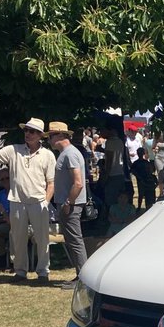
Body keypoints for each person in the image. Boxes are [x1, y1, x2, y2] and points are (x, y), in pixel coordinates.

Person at [0, 117, 56, 285]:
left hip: (39, 202)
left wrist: (45, 203)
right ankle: (20, 271)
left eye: (32, 131)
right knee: (17, 238)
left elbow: (51, 183)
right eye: (26, 130)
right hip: (17, 201)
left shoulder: (48, 155)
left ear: (40, 135)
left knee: (42, 239)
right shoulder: (13, 150)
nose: (28, 134)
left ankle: (43, 272)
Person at [49, 121, 89, 289]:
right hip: (68, 204)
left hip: (71, 205)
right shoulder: (66, 154)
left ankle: (84, 279)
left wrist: (68, 202)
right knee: (72, 240)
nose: (48, 140)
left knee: (75, 241)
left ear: (61, 135)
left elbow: (78, 183)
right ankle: (80, 276)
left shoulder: (70, 154)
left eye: (51, 136)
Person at [133, 146, 158, 210]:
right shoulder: (143, 163)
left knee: (143, 195)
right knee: (142, 194)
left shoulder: (138, 163)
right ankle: (139, 207)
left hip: (145, 180)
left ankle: (140, 207)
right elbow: (133, 171)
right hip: (142, 180)